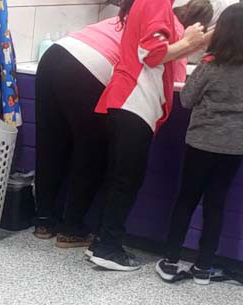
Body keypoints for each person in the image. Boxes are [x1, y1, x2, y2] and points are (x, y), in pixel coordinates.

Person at [33, 0, 213, 248]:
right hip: (90, 69)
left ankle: (43, 220)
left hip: (54, 55)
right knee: (92, 154)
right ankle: (71, 228)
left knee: (50, 143)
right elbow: (175, 82)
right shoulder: (176, 30)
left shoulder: (135, 12)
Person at [86, 0, 212, 270]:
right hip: (134, 101)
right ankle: (108, 247)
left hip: (125, 100)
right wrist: (188, 42)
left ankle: (100, 242)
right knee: (126, 180)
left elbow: (164, 48)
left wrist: (197, 40)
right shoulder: (156, 1)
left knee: (118, 177)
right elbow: (152, 54)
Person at [156, 2, 243, 283]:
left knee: (187, 199)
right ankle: (204, 267)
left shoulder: (210, 65)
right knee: (217, 203)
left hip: (202, 142)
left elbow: (187, 99)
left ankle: (170, 261)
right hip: (235, 145)